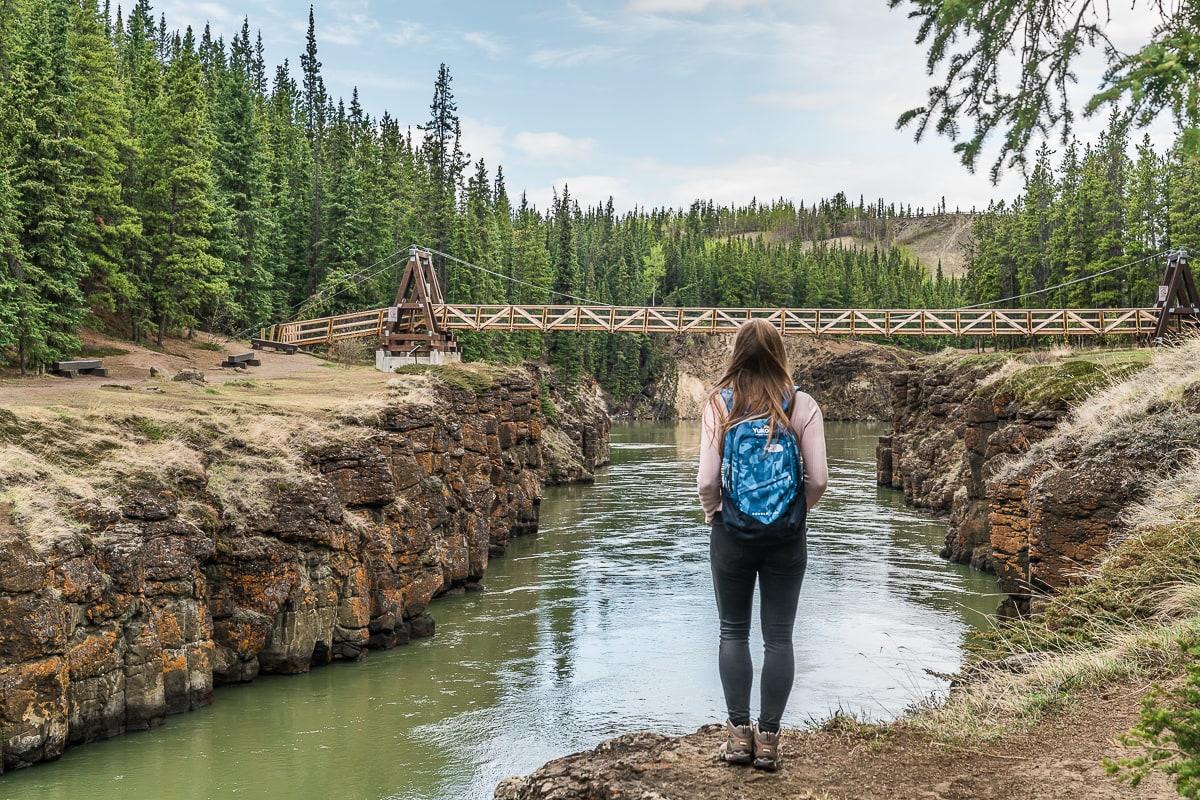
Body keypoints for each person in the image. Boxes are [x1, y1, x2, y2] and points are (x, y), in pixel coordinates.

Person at [696, 319, 828, 772]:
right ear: (779, 354)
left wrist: (715, 512)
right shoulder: (803, 404)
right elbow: (820, 479)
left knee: (733, 631)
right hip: (787, 539)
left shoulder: (720, 404)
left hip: (730, 534)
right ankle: (768, 741)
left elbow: (708, 480)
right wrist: (796, 512)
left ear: (737, 354)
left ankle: (737, 738)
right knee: (779, 638)